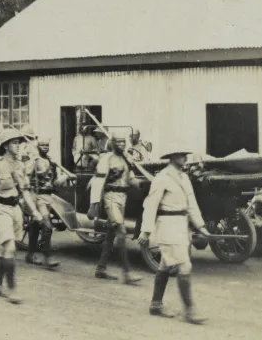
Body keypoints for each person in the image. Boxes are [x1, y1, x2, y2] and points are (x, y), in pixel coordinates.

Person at [138, 151, 211, 325]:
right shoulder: (162, 178)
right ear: (171, 158)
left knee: (165, 264)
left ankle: (156, 304)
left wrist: (201, 227)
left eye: (185, 154)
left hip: (181, 226)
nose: (185, 158)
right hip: (167, 226)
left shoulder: (184, 178)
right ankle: (190, 310)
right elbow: (150, 204)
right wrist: (146, 231)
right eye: (180, 155)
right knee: (184, 266)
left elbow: (191, 204)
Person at [0, 129, 41, 304]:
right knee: (10, 248)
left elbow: (25, 191)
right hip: (0, 208)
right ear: (5, 145)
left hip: (15, 209)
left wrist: (34, 211)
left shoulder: (19, 165)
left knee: (6, 250)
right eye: (14, 143)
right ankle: (12, 289)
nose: (18, 146)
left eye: (19, 143)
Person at [87, 132, 143, 284]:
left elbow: (130, 178)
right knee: (121, 231)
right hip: (110, 197)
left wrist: (140, 184)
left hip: (122, 198)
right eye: (118, 142)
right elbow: (98, 181)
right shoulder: (106, 159)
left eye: (123, 142)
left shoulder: (126, 159)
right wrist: (94, 204)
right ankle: (127, 273)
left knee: (111, 233)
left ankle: (101, 268)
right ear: (112, 143)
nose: (121, 145)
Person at [23, 136, 72, 269]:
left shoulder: (51, 162)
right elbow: (25, 180)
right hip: (37, 197)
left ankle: (30, 254)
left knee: (35, 226)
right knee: (47, 227)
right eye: (42, 145)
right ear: (38, 146)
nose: (45, 147)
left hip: (49, 197)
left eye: (47, 145)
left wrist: (64, 178)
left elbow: (54, 183)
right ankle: (47, 257)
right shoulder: (34, 161)